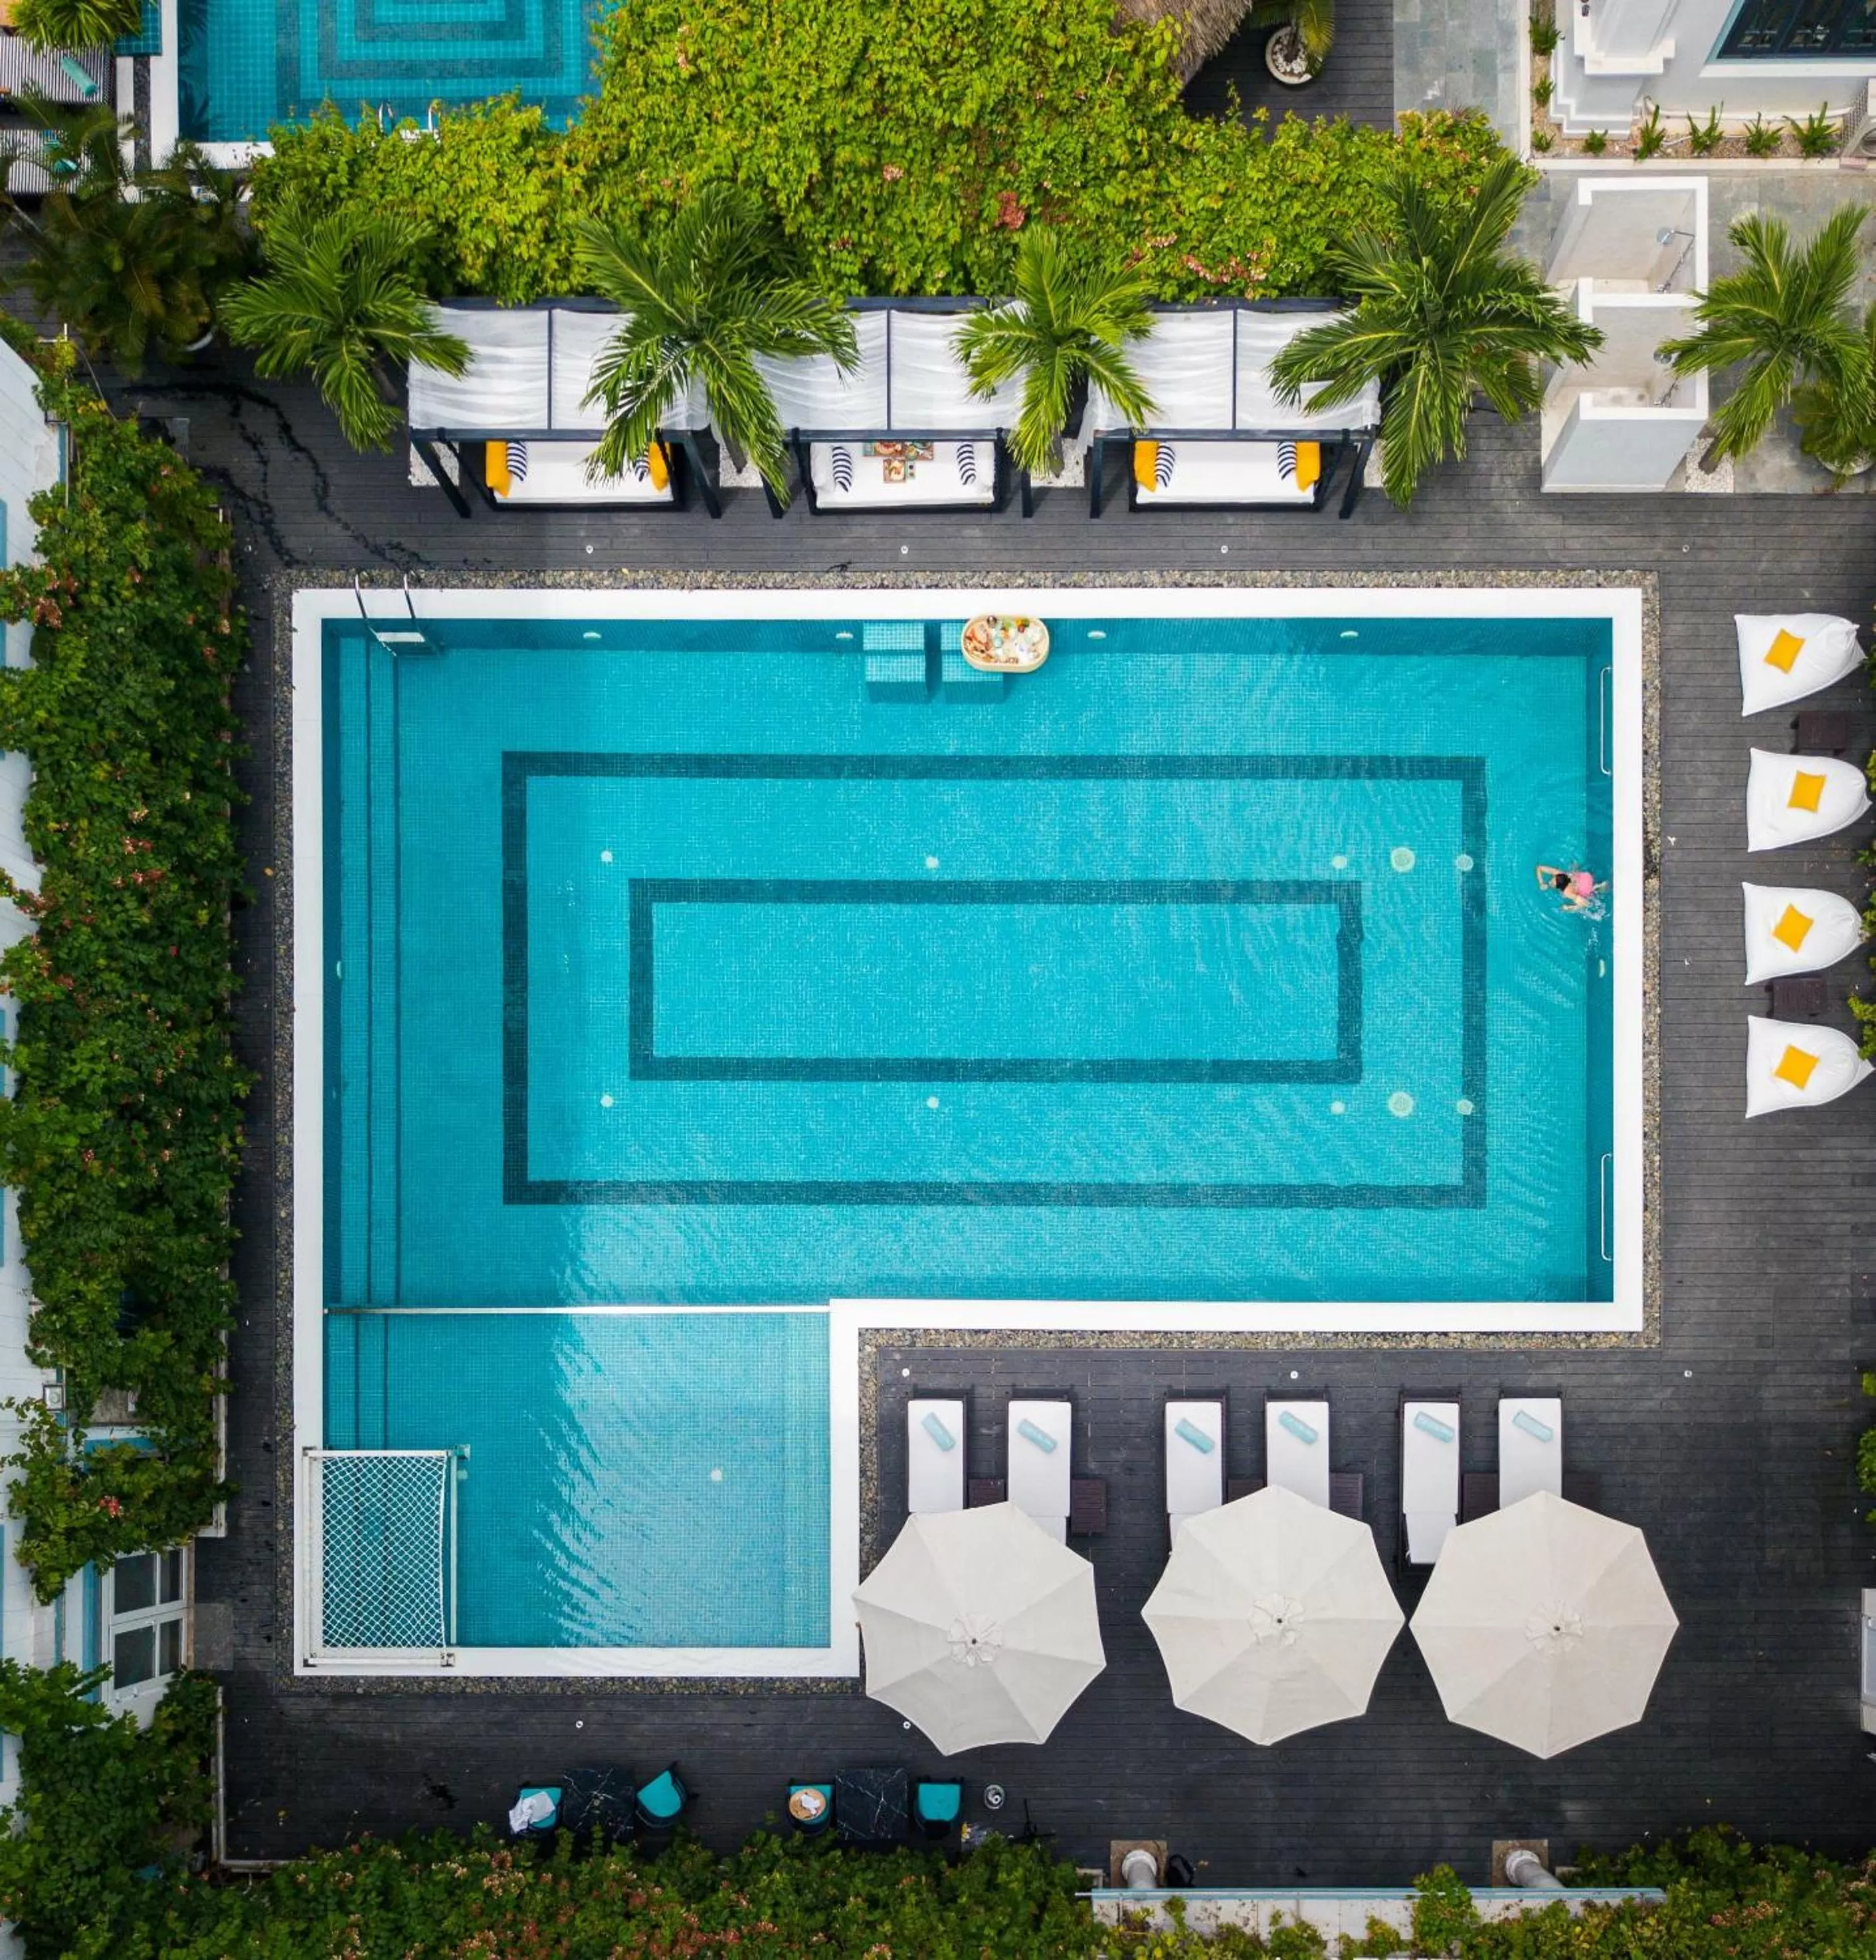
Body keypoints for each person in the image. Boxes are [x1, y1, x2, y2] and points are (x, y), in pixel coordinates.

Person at [1536, 863, 1606, 914]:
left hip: (1585, 887)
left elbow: (1586, 904)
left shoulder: (1567, 892)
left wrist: (1569, 908)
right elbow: (1539, 868)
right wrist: (1541, 882)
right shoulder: (1559, 873)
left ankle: (1597, 888)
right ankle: (1576, 867)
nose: (1550, 882)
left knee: (1580, 898)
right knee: (1573, 872)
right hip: (1586, 876)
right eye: (1552, 880)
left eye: (1553, 884)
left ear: (1560, 887)